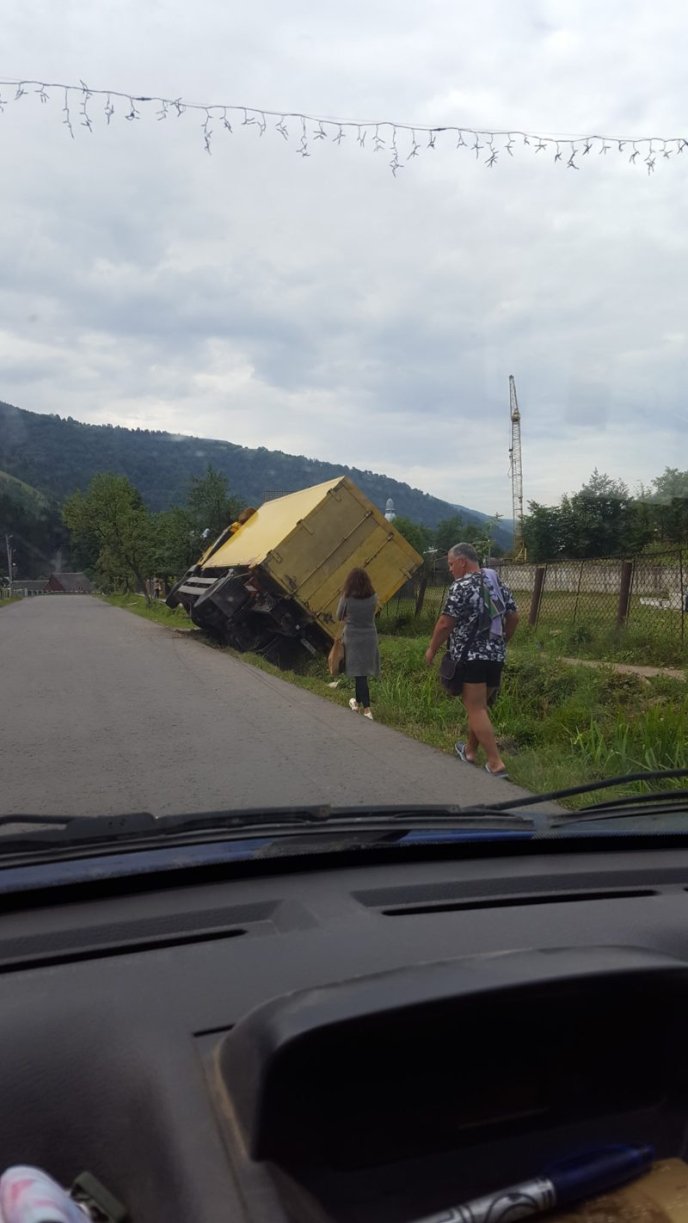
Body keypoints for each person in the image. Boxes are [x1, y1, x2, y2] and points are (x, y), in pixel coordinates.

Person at [425, 543, 519, 776]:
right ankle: (469, 751)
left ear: (462, 562)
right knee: (479, 708)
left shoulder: (461, 586)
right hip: (495, 656)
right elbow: (514, 616)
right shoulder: (495, 582)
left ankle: (496, 763)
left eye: (450, 563)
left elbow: (446, 623)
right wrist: (503, 640)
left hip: (471, 658)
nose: (450, 569)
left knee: (476, 709)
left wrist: (431, 649)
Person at [337, 567, 380, 720]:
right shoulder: (374, 597)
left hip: (353, 637)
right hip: (369, 637)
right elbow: (374, 612)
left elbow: (338, 615)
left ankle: (367, 709)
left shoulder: (346, 597)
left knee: (359, 673)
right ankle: (356, 702)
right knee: (360, 673)